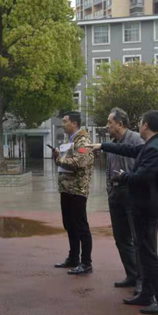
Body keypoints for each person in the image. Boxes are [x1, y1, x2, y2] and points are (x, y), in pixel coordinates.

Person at [92, 110, 158, 314]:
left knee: (149, 254)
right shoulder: (152, 145)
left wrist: (123, 176)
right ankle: (146, 294)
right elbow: (128, 150)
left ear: (145, 125)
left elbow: (142, 177)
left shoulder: (155, 148)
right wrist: (102, 146)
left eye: (140, 123)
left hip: (148, 207)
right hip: (144, 206)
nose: (138, 125)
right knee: (145, 253)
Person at [101, 108, 145, 292]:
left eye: (110, 122)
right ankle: (132, 274)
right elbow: (109, 169)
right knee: (121, 238)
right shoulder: (112, 143)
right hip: (116, 194)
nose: (107, 126)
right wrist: (110, 190)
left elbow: (143, 166)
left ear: (120, 123)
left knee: (138, 239)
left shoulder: (136, 140)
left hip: (132, 193)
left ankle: (143, 281)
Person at [52, 111, 95, 275]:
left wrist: (60, 159)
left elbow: (80, 161)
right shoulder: (71, 140)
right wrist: (58, 156)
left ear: (74, 124)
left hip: (77, 189)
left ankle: (86, 262)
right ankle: (73, 258)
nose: (63, 124)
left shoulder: (83, 141)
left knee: (80, 225)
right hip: (67, 189)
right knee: (69, 224)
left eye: (65, 121)